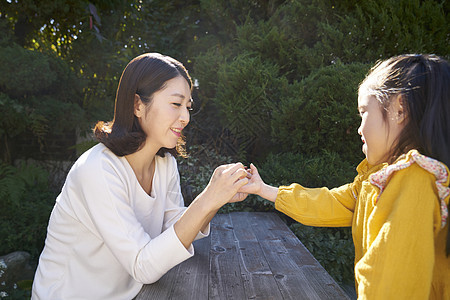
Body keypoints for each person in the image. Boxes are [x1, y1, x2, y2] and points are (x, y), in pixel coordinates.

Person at [32, 53, 249, 300]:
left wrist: (218, 196)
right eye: (176, 104)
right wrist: (208, 198)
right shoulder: (98, 170)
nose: (186, 117)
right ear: (137, 105)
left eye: (188, 107)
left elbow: (174, 229)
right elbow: (143, 265)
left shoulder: (164, 164)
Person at [240, 54, 450, 299]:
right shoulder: (381, 180)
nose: (360, 128)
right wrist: (264, 189)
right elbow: (331, 202)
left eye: (364, 113)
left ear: (399, 110)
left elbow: (387, 285)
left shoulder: (415, 181)